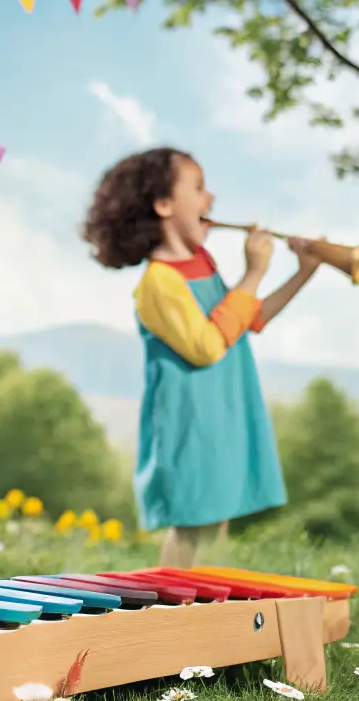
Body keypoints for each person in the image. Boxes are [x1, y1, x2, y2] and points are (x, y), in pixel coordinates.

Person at [82, 149, 322, 568]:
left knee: (214, 527)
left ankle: (199, 614)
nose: (210, 198)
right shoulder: (159, 283)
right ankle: (165, 613)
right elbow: (207, 345)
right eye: (197, 187)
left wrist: (304, 271)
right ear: (164, 205)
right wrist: (254, 272)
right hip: (188, 423)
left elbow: (248, 317)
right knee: (191, 527)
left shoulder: (202, 264)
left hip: (222, 414)